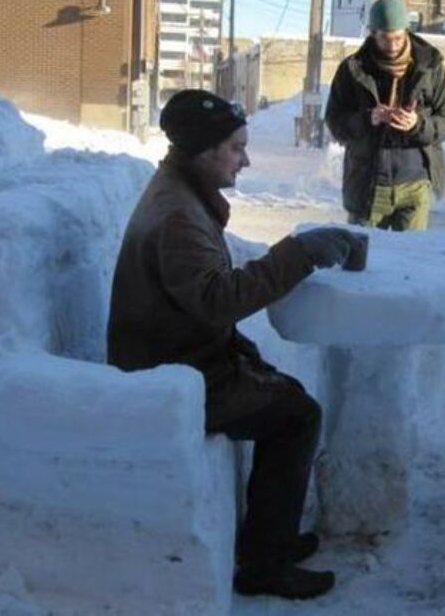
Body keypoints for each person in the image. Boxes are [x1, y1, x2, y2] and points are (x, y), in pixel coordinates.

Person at [106, 89, 357, 600]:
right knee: (298, 416)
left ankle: (268, 539)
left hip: (178, 354)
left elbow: (196, 300)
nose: (245, 159)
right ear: (204, 150)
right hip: (167, 375)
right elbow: (218, 300)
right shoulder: (178, 215)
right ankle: (264, 564)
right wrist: (299, 253)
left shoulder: (179, 190)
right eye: (237, 148)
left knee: (284, 395)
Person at [325, 0, 445, 231]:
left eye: (398, 38)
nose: (393, 45)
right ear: (372, 34)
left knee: (410, 262)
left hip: (415, 186)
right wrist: (369, 119)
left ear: (407, 31)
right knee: (363, 261)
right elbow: (335, 122)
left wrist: (418, 124)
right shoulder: (353, 69)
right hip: (367, 185)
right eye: (385, 39)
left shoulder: (430, 66)